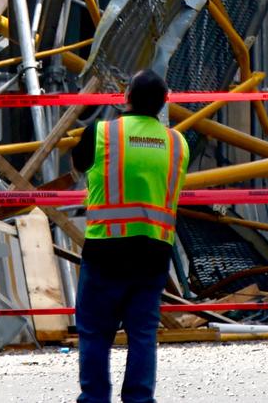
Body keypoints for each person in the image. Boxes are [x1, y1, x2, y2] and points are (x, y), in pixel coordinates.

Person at [70, 69, 189, 403]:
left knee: (94, 333)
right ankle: (139, 399)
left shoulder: (102, 133)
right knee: (142, 334)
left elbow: (79, 164)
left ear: (127, 98)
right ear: (165, 103)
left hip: (106, 248)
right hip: (153, 251)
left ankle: (94, 399)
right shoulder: (178, 144)